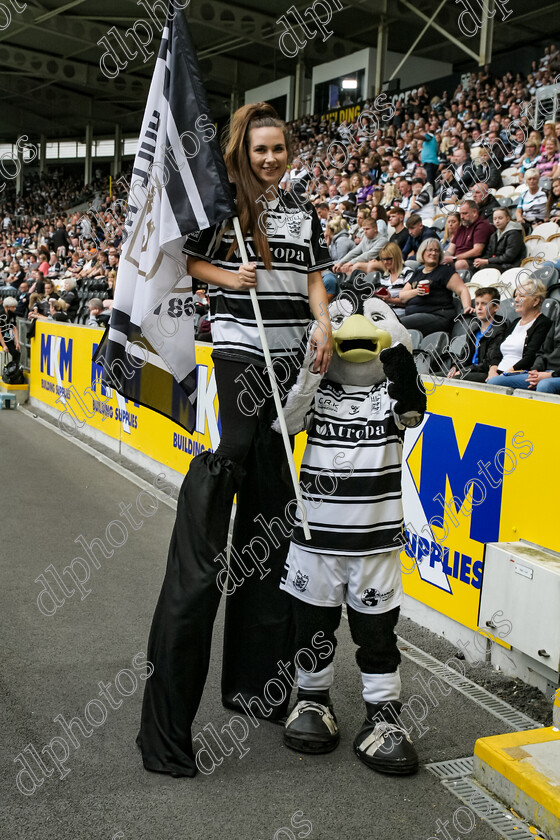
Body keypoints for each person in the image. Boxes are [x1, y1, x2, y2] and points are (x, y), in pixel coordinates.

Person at [138, 102, 333, 779]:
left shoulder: (303, 213)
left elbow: (313, 277)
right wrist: (231, 276)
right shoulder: (222, 211)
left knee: (272, 528)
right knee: (217, 508)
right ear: (242, 153)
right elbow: (185, 266)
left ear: (289, 150)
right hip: (239, 360)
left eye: (279, 148)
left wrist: (325, 323)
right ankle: (166, 726)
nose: (271, 159)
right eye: (260, 150)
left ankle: (258, 685)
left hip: (288, 371)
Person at [399, 238, 473, 335]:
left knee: (398, 324)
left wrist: (467, 307)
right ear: (422, 253)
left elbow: (462, 290)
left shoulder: (445, 271)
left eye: (436, 250)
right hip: (415, 315)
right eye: (430, 250)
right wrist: (417, 291)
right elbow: (402, 297)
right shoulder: (417, 273)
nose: (433, 253)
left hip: (437, 315)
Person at [487, 280, 551, 385]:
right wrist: (492, 370)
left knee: (494, 382)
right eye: (515, 296)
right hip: (499, 373)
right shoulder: (515, 323)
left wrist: (505, 373)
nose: (516, 300)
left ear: (535, 301)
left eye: (521, 296)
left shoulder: (543, 324)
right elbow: (497, 352)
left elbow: (530, 357)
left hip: (520, 373)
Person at [448, 287, 507, 382]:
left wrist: (464, 371)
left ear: (495, 307)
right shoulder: (474, 327)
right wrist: (455, 367)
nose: (479, 308)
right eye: (477, 304)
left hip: (484, 373)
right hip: (469, 370)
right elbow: (464, 354)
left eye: (484, 304)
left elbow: (489, 362)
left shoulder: (499, 329)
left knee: (455, 379)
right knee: (435, 377)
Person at [443, 200, 495, 271]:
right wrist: (445, 257)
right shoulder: (461, 228)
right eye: (460, 214)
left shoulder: (482, 226)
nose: (461, 217)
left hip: (474, 262)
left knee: (460, 264)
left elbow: (477, 251)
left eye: (464, 213)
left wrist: (454, 258)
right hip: (456, 260)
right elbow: (451, 249)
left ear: (474, 212)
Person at [474, 207, 525, 272]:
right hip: (499, 264)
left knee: (485, 267)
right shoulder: (494, 235)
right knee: (474, 266)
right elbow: (489, 253)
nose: (497, 221)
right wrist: (480, 260)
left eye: (500, 218)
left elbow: (508, 257)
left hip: (511, 266)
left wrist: (487, 261)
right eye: (495, 219)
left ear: (508, 219)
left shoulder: (514, 234)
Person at [373, 242, 412, 317]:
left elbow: (410, 301)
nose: (385, 262)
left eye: (388, 259)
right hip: (385, 314)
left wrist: (391, 300)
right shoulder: (385, 276)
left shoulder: (408, 273)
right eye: (383, 259)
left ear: (396, 257)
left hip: (401, 315)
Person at [0, 296, 20, 364]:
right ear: (7, 307)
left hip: (6, 336)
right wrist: (4, 345)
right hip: (1, 336)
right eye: (13, 307)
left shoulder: (13, 315)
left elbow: (15, 328)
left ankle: (13, 370)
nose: (15, 308)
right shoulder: (1, 314)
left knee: (16, 353)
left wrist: (17, 342)